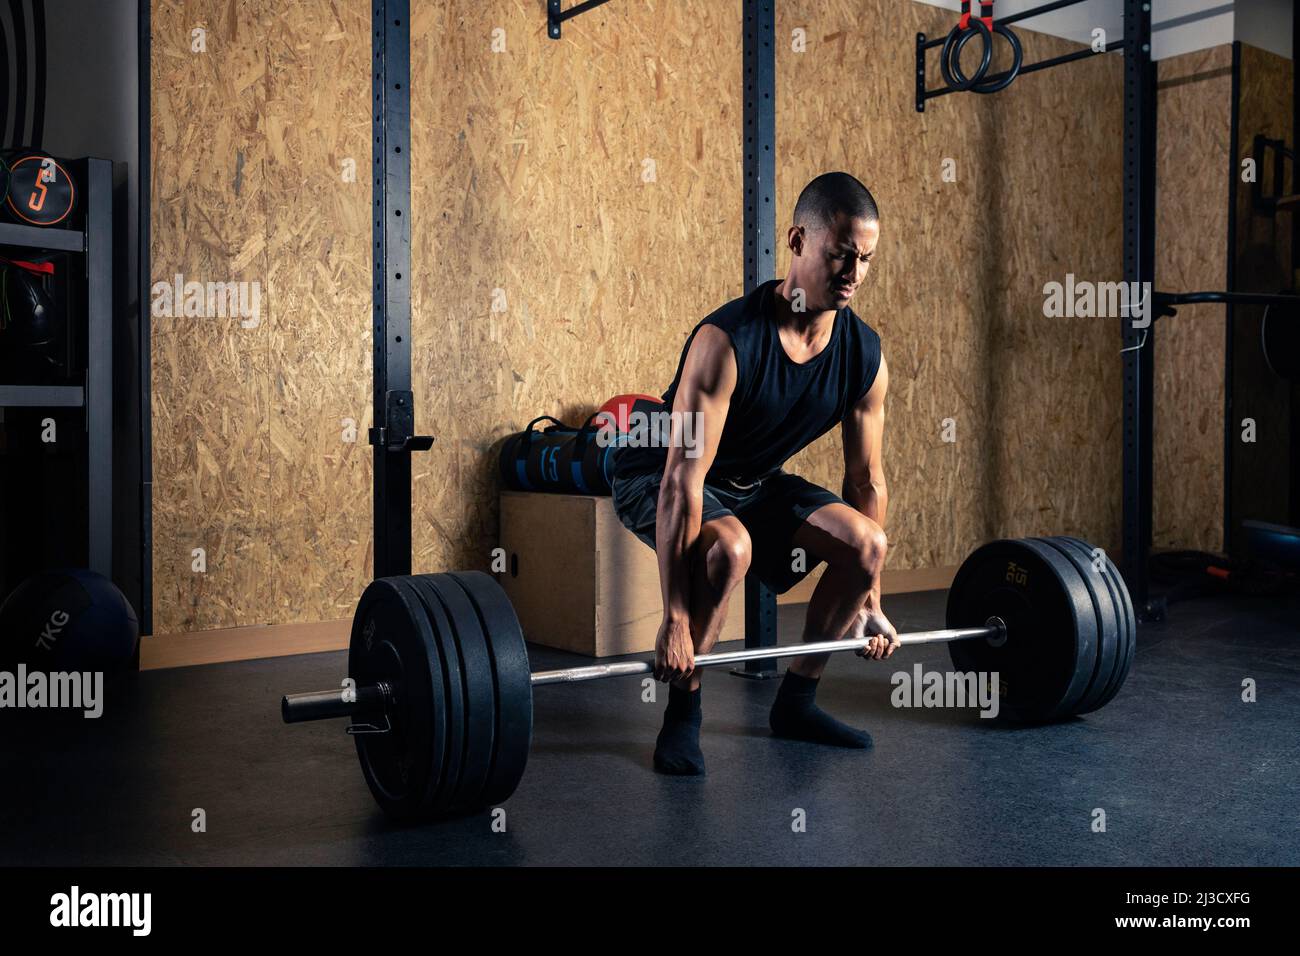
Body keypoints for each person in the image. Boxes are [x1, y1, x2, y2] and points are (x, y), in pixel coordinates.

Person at [610, 171, 899, 776]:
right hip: (657, 470)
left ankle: (796, 703)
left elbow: (866, 481)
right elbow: (681, 482)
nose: (853, 273)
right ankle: (683, 714)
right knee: (730, 549)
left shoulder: (863, 356)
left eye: (866, 259)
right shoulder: (728, 341)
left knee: (867, 545)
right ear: (798, 241)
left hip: (751, 480)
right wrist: (675, 619)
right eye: (840, 254)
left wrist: (870, 599)